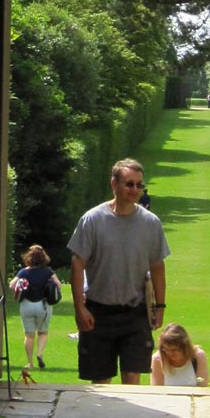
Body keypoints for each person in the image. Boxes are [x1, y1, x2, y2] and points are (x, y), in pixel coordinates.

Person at [68, 157, 170, 385]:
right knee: (101, 382)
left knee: (132, 378)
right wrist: (79, 308)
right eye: (129, 184)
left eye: (139, 185)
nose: (135, 190)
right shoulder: (92, 220)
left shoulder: (151, 223)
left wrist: (160, 306)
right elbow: (77, 265)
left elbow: (157, 267)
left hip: (135, 312)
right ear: (114, 184)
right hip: (98, 313)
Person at [11, 242, 60, 371]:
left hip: (26, 305)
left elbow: (12, 285)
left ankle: (30, 363)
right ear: (44, 257)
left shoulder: (23, 272)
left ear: (29, 257)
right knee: (43, 332)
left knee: (29, 335)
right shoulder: (48, 271)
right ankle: (39, 353)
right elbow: (58, 285)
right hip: (43, 305)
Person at [151, 322, 208, 387]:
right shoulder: (157, 359)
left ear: (185, 347)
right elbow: (157, 391)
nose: (170, 354)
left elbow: (202, 387)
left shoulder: (198, 356)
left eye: (174, 350)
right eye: (166, 350)